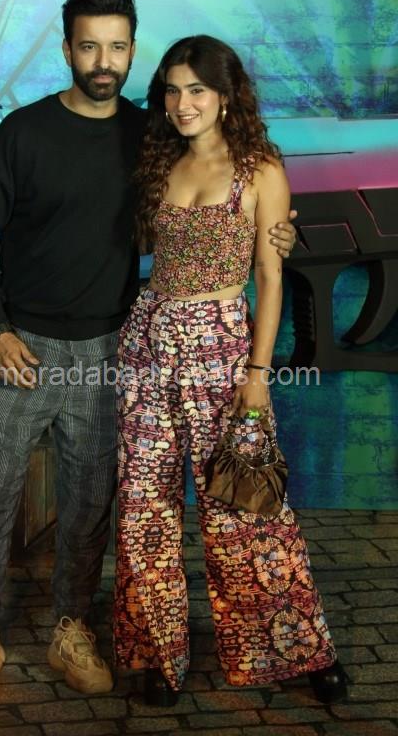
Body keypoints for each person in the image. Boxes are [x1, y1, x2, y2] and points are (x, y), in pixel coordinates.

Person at [0, 0, 297, 699]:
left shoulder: (152, 136)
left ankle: (73, 626)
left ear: (132, 52)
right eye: (89, 46)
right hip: (23, 348)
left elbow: (223, 197)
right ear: (67, 48)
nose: (104, 60)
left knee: (91, 502)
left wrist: (283, 233)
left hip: (113, 352)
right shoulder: (22, 133)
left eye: (118, 47)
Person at [113, 35, 347, 707]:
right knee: (143, 508)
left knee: (244, 508)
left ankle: (299, 649)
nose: (182, 104)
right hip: (148, 343)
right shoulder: (160, 160)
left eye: (197, 90)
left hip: (222, 348)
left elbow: (271, 279)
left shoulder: (259, 169)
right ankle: (159, 657)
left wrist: (258, 373)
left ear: (225, 95)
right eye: (172, 90)